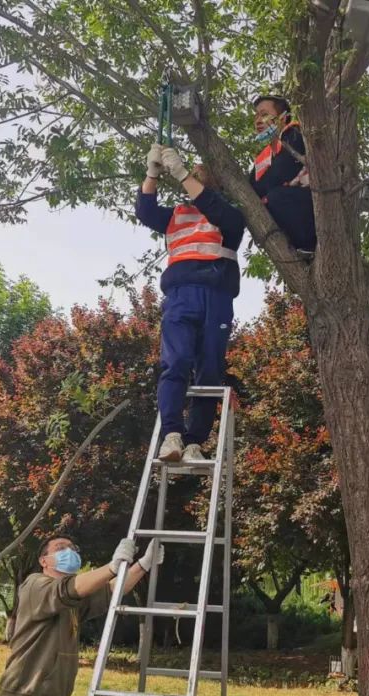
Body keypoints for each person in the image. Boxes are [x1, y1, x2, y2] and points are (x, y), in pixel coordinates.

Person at [0, 535, 163, 696]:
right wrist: (112, 566)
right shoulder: (36, 585)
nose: (69, 552)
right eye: (61, 548)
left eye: (72, 548)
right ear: (44, 561)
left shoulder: (71, 602)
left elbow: (111, 591)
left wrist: (143, 565)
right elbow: (67, 589)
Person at [136, 143, 246, 463]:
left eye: (202, 170)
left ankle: (195, 442)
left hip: (217, 296)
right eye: (194, 169)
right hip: (181, 295)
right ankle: (172, 435)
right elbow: (144, 211)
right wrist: (152, 173)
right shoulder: (177, 215)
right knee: (176, 361)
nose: (196, 170)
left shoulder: (231, 215)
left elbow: (215, 207)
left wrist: (182, 174)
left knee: (209, 368)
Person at [249, 94, 316, 253]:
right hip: (289, 216)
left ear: (283, 117)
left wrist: (265, 193)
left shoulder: (296, 133)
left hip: (313, 205)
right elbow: (251, 189)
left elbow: (282, 171)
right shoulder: (262, 157)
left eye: (264, 114)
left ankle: (309, 245)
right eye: (256, 115)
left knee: (275, 196)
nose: (258, 121)